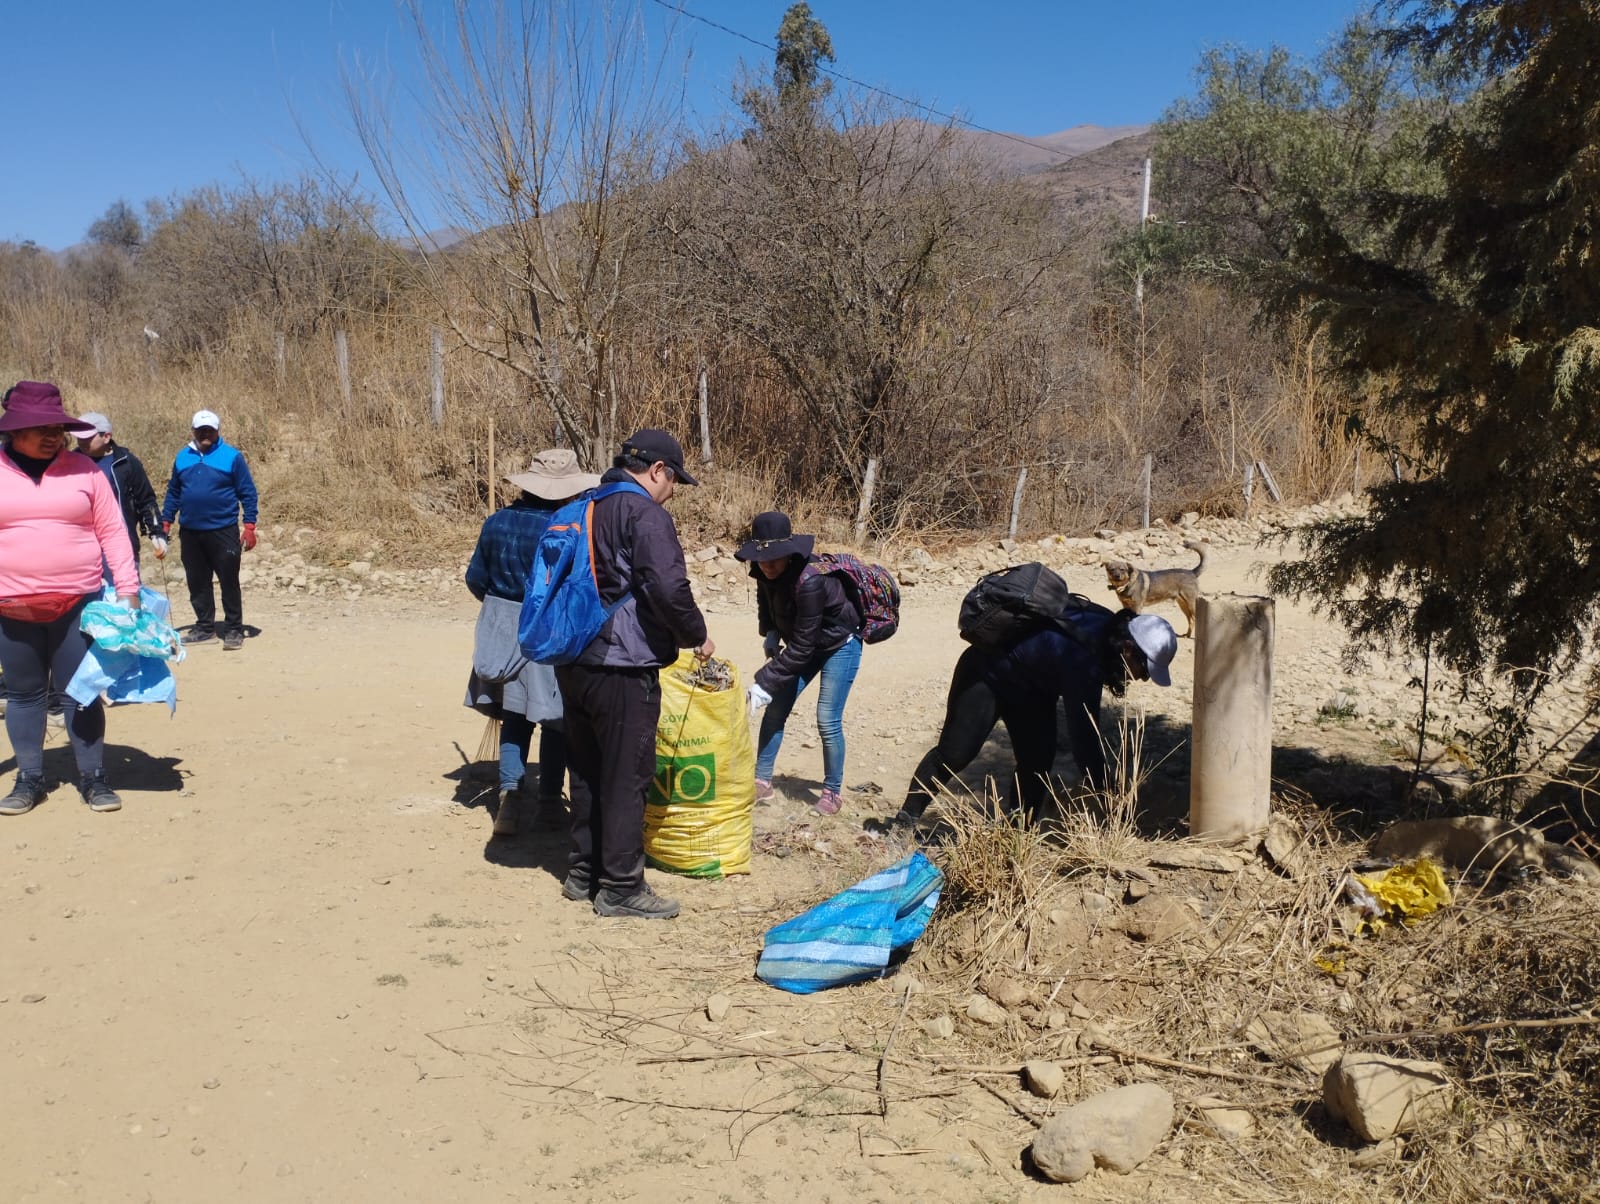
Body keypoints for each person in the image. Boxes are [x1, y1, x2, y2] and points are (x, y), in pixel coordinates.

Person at [555, 429, 713, 920]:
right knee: (627, 774)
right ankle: (622, 886)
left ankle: (584, 871)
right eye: (673, 482)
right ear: (657, 471)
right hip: (622, 663)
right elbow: (667, 586)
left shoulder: (584, 504)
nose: (672, 492)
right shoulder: (645, 514)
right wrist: (696, 635)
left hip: (573, 657)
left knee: (585, 767)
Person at [887, 609, 1178, 828]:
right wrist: (1109, 792)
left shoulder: (1108, 630)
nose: (1140, 678)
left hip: (1032, 689)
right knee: (954, 753)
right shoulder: (1086, 659)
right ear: (1128, 648)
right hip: (987, 674)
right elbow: (1084, 736)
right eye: (1143, 669)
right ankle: (903, 823)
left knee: (1037, 762)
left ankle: (1017, 833)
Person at [0, 381, 141, 816]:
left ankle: (94, 777)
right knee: (23, 695)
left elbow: (113, 531)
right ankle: (29, 779)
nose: (51, 435)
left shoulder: (85, 471)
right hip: (11, 608)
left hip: (76, 604)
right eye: (38, 427)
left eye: (56, 427)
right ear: (12, 431)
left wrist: (130, 590)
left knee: (80, 694)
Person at [464, 448, 600, 837]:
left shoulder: (496, 523)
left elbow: (476, 579)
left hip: (501, 630)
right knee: (555, 720)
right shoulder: (566, 525)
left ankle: (510, 799)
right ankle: (549, 806)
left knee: (515, 717)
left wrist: (502, 612)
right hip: (548, 628)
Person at [736, 511, 862, 816]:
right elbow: (766, 605)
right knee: (776, 709)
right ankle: (761, 781)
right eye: (762, 560)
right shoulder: (764, 571)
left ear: (789, 555)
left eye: (775, 560)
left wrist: (764, 682)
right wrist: (771, 632)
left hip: (839, 644)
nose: (767, 566)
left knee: (826, 719)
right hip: (805, 643)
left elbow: (803, 648)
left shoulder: (810, 581)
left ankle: (832, 792)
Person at [160, 409, 258, 651]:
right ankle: (205, 628)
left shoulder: (232, 457)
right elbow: (174, 492)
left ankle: (234, 629)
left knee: (228, 581)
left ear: (217, 431)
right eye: (201, 430)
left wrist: (249, 525)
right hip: (191, 531)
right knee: (197, 582)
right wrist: (165, 521)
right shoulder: (182, 457)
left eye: (210, 430)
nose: (205, 434)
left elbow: (247, 491)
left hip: (222, 530)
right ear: (193, 431)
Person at [75, 411, 167, 571]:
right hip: (81, 547)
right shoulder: (69, 462)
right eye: (79, 437)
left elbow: (146, 500)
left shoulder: (126, 462)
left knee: (125, 593)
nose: (82, 441)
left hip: (120, 543)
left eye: (88, 437)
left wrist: (156, 532)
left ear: (106, 436)